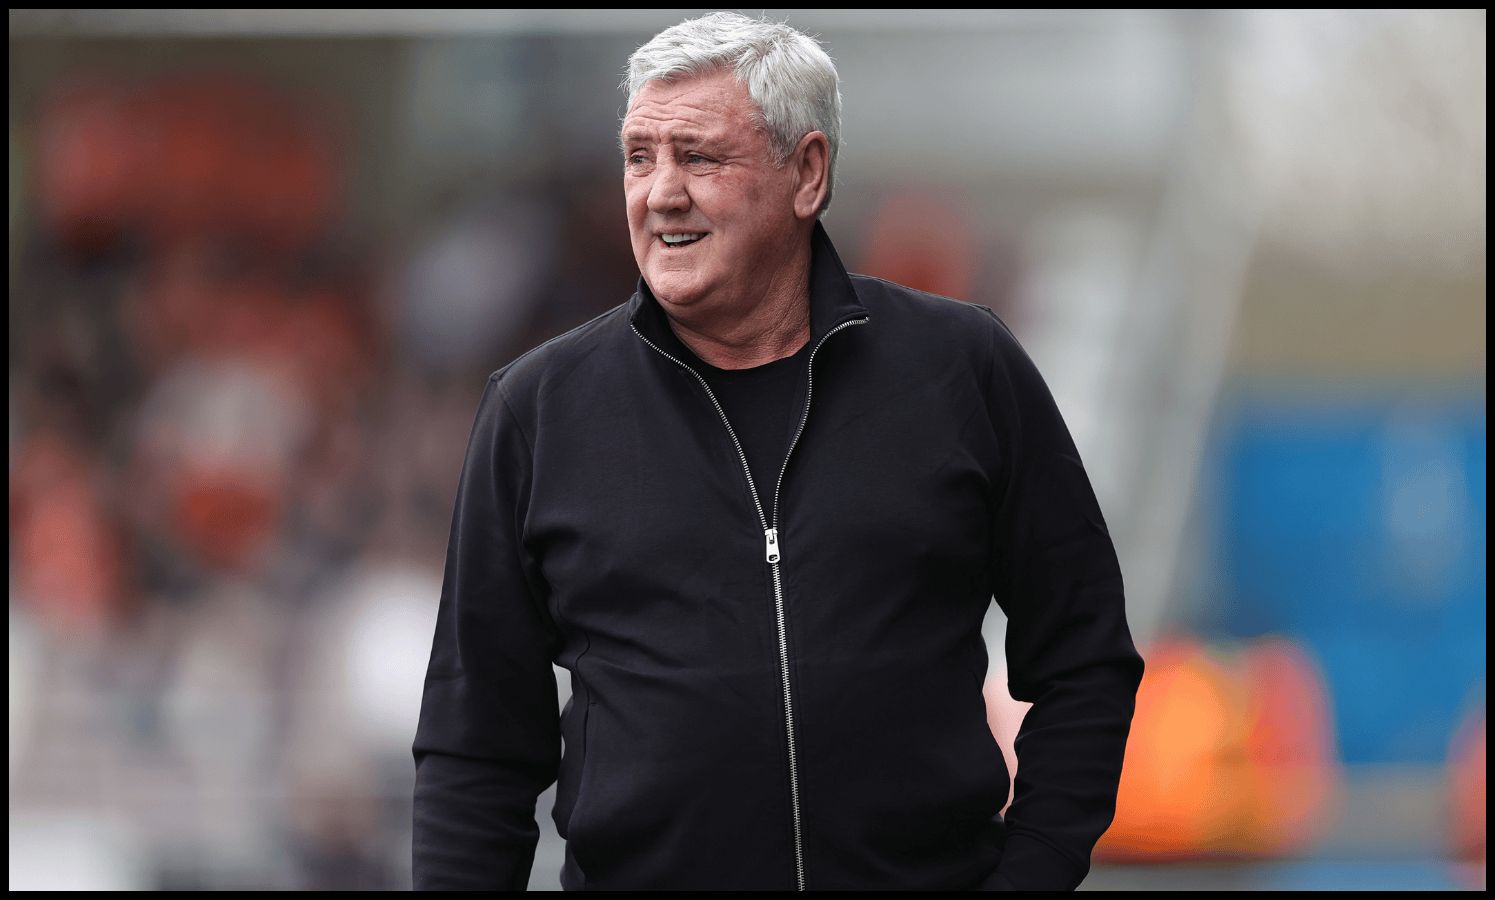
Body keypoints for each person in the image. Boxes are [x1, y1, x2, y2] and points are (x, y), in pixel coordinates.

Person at [412, 11, 1144, 892]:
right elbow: (473, 746)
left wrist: (1033, 870)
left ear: (807, 172)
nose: (660, 192)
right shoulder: (538, 408)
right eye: (639, 158)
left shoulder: (963, 369)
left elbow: (1085, 657)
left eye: (700, 157)